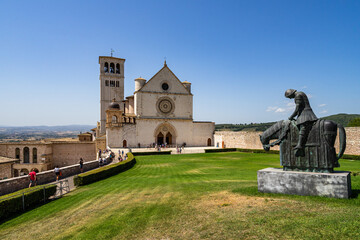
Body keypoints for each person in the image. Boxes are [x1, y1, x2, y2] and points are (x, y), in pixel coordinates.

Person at [285, 89, 318, 156]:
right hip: (303, 112)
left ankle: (299, 144)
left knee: (302, 125)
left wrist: (291, 116)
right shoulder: (300, 93)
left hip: (305, 113)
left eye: (289, 97)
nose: (290, 98)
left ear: (291, 94)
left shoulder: (298, 95)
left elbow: (297, 108)